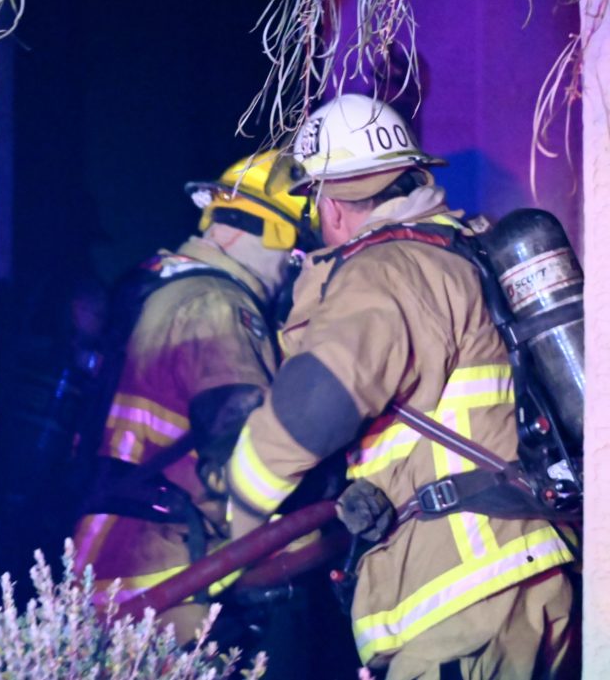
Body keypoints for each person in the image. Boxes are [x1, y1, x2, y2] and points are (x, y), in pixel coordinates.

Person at [225, 93, 578, 679]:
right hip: (526, 572)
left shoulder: (386, 270)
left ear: (331, 204)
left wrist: (237, 510)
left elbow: (314, 405)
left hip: (461, 599)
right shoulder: (462, 251)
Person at [71, 150, 360, 677]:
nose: (291, 275)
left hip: (99, 564)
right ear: (279, 238)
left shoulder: (148, 286)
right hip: (167, 583)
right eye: (298, 256)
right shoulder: (217, 305)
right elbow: (250, 455)